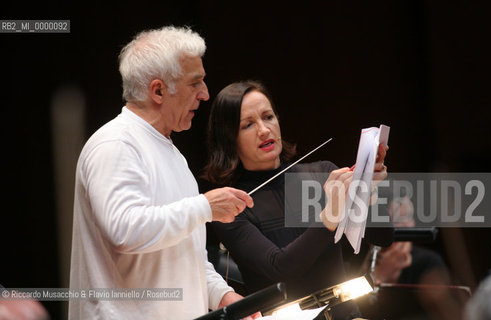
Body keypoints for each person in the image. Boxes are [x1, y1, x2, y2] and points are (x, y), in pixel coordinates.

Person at [69, 26, 258, 320]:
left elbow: (183, 253)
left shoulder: (172, 154)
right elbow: (125, 230)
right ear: (158, 90)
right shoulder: (116, 144)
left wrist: (221, 294)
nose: (205, 94)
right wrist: (205, 206)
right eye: (195, 83)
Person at [202, 80, 389, 319]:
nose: (264, 130)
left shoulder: (322, 173)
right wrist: (329, 216)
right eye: (248, 125)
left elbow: (383, 236)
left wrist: (369, 191)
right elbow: (280, 268)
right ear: (229, 139)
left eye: (268, 117)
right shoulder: (230, 206)